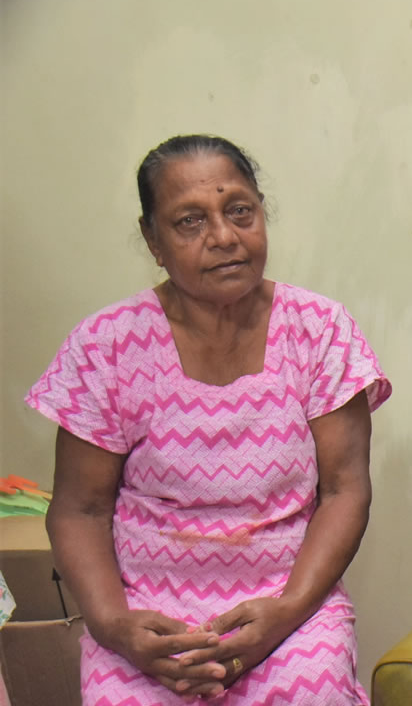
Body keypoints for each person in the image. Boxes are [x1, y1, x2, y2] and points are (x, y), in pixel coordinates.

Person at [27, 135, 392, 705]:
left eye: (239, 211)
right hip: (146, 617)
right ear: (153, 240)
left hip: (286, 606)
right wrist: (113, 625)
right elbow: (79, 508)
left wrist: (287, 611)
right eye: (190, 221)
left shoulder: (319, 330)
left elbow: (345, 490)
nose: (224, 237)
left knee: (312, 691)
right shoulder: (107, 345)